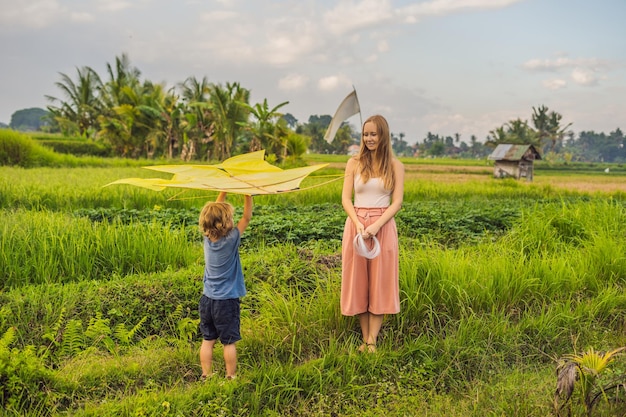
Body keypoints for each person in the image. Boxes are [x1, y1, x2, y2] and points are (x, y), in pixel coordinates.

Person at [341, 114, 405, 353]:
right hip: (356, 224)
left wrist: (377, 225)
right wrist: (358, 223)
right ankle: (364, 336)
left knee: (380, 281)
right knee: (359, 281)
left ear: (383, 136)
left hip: (383, 225)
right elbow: (346, 199)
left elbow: (396, 202)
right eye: (365, 134)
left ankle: (371, 341)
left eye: (373, 134)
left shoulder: (396, 166)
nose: (369, 139)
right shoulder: (353, 163)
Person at [198, 191, 253, 380]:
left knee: (208, 340)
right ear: (225, 224)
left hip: (207, 300)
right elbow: (247, 217)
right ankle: (230, 377)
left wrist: (222, 191)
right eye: (229, 218)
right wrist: (248, 194)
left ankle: (206, 375)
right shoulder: (231, 240)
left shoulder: (206, 239)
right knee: (228, 342)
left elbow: (215, 212)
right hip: (226, 302)